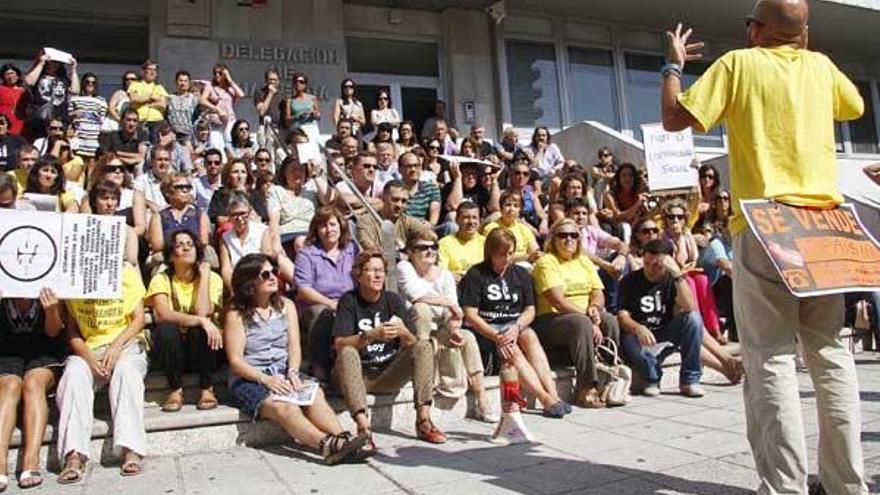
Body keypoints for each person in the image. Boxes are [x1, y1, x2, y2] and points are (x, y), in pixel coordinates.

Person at [663, 9, 870, 488]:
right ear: (803, 33)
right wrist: (803, 46)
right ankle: (846, 484)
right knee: (831, 355)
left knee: (771, 359)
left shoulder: (740, 64)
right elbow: (855, 106)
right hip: (824, 225)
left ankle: (784, 486)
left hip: (767, 222)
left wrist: (672, 66)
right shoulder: (820, 67)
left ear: (756, 28)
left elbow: (676, 119)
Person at [225, 254, 369, 464]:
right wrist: (266, 380)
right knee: (285, 407)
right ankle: (327, 445)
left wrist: (292, 371)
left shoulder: (286, 305)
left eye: (274, 271)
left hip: (284, 372)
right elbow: (236, 361)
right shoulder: (235, 313)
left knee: (315, 394)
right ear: (249, 283)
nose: (274, 277)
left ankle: (345, 440)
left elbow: (294, 347)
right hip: (251, 377)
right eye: (266, 274)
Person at [333, 251, 445, 446]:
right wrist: (370, 336)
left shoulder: (393, 300)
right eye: (371, 270)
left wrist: (404, 333)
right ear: (359, 275)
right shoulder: (349, 301)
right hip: (358, 375)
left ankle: (424, 420)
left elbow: (412, 344)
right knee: (348, 352)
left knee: (424, 345)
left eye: (381, 271)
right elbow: (339, 344)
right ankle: (363, 428)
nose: (378, 276)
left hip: (387, 372)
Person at [459, 228, 570, 417]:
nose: (507, 259)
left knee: (529, 335)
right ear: (491, 252)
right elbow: (470, 314)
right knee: (513, 348)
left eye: (510, 253)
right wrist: (497, 336)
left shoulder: (521, 275)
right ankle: (545, 399)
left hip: (513, 325)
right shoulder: (476, 274)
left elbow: (530, 309)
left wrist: (517, 327)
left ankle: (554, 394)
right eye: (501, 254)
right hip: (487, 329)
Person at [56, 261, 148, 483]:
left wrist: (116, 346)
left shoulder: (125, 271)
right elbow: (71, 332)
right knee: (73, 373)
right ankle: (74, 455)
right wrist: (88, 357)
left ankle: (130, 449)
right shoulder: (71, 276)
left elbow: (139, 319)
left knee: (126, 371)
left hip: (125, 344)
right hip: (89, 349)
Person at [397, 230, 496, 421]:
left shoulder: (445, 275)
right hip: (414, 333)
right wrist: (449, 304)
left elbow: (454, 313)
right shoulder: (404, 267)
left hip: (440, 329)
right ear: (410, 251)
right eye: (423, 248)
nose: (430, 251)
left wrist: (453, 329)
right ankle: (424, 370)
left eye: (433, 247)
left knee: (468, 337)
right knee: (422, 309)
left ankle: (481, 397)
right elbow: (415, 295)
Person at [532, 218, 620, 408]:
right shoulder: (546, 262)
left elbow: (597, 292)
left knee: (610, 320)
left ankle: (607, 381)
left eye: (574, 235)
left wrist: (595, 308)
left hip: (583, 315)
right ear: (553, 239)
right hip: (551, 319)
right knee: (580, 323)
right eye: (563, 235)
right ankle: (586, 387)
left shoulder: (583, 260)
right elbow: (558, 300)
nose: (569, 239)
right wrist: (589, 318)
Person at [147, 230, 224, 412]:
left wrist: (204, 275)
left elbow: (204, 311)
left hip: (205, 349)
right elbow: (163, 314)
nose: (187, 248)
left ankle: (207, 387)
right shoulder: (161, 279)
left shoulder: (212, 278)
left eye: (190, 244)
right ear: (171, 255)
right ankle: (175, 389)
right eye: (180, 245)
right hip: (173, 351)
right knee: (166, 329)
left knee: (201, 329)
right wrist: (201, 320)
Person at [617, 239, 704, 398]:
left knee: (693, 319)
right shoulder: (629, 281)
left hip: (664, 333)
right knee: (630, 339)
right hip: (638, 336)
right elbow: (622, 317)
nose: (650, 269)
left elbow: (691, 307)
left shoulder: (673, 281)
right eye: (647, 263)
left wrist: (677, 274)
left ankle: (689, 380)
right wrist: (638, 328)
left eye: (656, 265)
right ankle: (652, 378)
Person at [0, 288, 66, 490]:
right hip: (6, 352)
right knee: (10, 385)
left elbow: (53, 332)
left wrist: (52, 310)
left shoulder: (52, 282)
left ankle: (31, 460)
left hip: (44, 350)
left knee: (33, 383)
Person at [289, 207, 358, 381]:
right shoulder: (307, 254)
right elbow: (304, 290)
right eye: (323, 226)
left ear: (341, 227)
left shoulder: (352, 250)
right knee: (322, 314)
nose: (329, 230)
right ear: (316, 230)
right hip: (317, 304)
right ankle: (320, 370)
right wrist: (330, 303)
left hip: (348, 302)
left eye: (333, 224)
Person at [83, 154, 148, 238]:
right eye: (112, 169)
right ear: (102, 171)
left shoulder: (135, 195)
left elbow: (140, 228)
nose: (118, 171)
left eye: (121, 169)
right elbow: (84, 223)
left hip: (128, 240)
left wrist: (117, 236)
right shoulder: (90, 195)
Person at [355, 180, 429, 253]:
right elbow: (371, 248)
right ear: (383, 198)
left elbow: (429, 235)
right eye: (395, 200)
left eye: (403, 201)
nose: (399, 205)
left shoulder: (407, 222)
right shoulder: (366, 221)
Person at [147, 172, 210, 255]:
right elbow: (157, 245)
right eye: (180, 187)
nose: (185, 190)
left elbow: (204, 242)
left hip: (195, 256)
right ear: (167, 192)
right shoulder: (158, 217)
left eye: (188, 187)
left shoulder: (200, 215)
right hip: (167, 256)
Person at [22, 49, 78, 139]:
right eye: (52, 62)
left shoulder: (63, 79)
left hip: (59, 119)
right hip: (40, 118)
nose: (55, 64)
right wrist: (41, 63)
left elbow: (75, 90)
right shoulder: (38, 76)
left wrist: (73, 69)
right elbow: (28, 82)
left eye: (58, 62)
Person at [219, 192, 269, 292]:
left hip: (260, 280)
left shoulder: (263, 231)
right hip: (238, 283)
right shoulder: (225, 238)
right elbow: (226, 270)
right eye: (234, 214)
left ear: (249, 213)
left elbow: (266, 261)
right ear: (229, 216)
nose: (240, 218)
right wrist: (234, 291)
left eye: (243, 213)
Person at [87, 179, 139, 266]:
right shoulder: (84, 227)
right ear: (95, 201)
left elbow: (132, 260)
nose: (110, 203)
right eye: (105, 198)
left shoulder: (128, 231)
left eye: (113, 199)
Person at [481, 190, 540, 266]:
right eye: (508, 205)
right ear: (501, 208)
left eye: (516, 206)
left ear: (520, 210)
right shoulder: (491, 228)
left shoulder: (524, 229)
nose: (511, 209)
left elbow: (535, 251)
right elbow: (493, 255)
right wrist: (526, 257)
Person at [598, 163, 647, 244]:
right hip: (618, 231)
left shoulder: (639, 194)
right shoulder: (609, 195)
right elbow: (619, 217)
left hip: (636, 228)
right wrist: (637, 204)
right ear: (619, 178)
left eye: (630, 175)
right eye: (624, 175)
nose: (627, 178)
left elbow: (646, 216)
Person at [200, 64, 245, 151]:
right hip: (215, 122)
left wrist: (229, 79)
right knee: (217, 148)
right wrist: (216, 109)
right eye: (215, 73)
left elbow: (241, 95)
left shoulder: (230, 88)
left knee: (231, 147)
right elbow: (202, 100)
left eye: (220, 73)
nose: (217, 75)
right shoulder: (210, 86)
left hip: (229, 121)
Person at [438, 201, 485, 282]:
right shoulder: (444, 243)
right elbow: (442, 273)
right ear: (457, 219)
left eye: (474, 217)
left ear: (480, 220)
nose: (471, 222)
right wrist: (449, 277)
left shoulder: (486, 242)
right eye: (466, 217)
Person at [66, 72, 107, 165]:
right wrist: (74, 114)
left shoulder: (101, 100)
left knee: (92, 165)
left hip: (93, 137)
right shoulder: (75, 98)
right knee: (78, 163)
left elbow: (103, 119)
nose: (90, 84)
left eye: (93, 82)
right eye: (87, 82)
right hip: (78, 136)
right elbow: (67, 115)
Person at [208, 158, 252, 233]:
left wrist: (244, 195)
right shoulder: (220, 195)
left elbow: (258, 219)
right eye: (235, 172)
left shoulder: (254, 195)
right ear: (228, 175)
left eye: (243, 172)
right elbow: (220, 220)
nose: (239, 176)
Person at [505, 158, 548, 234]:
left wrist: (544, 222)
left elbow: (540, 212)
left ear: (528, 177)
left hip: (533, 227)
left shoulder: (530, 194)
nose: (521, 176)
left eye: (525, 174)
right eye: (517, 173)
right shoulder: (505, 194)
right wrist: (529, 227)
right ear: (511, 175)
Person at [127, 60, 167, 140]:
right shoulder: (135, 85)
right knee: (141, 146)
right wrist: (151, 98)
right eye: (150, 69)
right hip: (140, 120)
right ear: (143, 71)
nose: (152, 72)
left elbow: (163, 104)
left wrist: (147, 102)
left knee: (156, 147)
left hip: (157, 121)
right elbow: (134, 99)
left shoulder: (159, 87)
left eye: (154, 70)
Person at [282, 72, 321, 144]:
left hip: (311, 127)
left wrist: (313, 113)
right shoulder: (290, 100)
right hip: (298, 128)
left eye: (301, 82)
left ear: (305, 84)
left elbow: (319, 115)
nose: (298, 84)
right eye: (296, 82)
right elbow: (287, 119)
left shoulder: (312, 98)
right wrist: (298, 116)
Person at [167, 70, 199, 143]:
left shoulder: (194, 99)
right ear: (176, 82)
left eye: (185, 81)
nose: (183, 83)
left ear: (189, 83)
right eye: (180, 81)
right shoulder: (169, 98)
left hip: (188, 135)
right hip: (173, 134)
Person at [0, 64, 25, 137]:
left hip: (20, 123)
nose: (10, 76)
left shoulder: (23, 91)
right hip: (4, 123)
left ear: (17, 76)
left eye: (12, 73)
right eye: (7, 74)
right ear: (3, 77)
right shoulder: (1, 89)